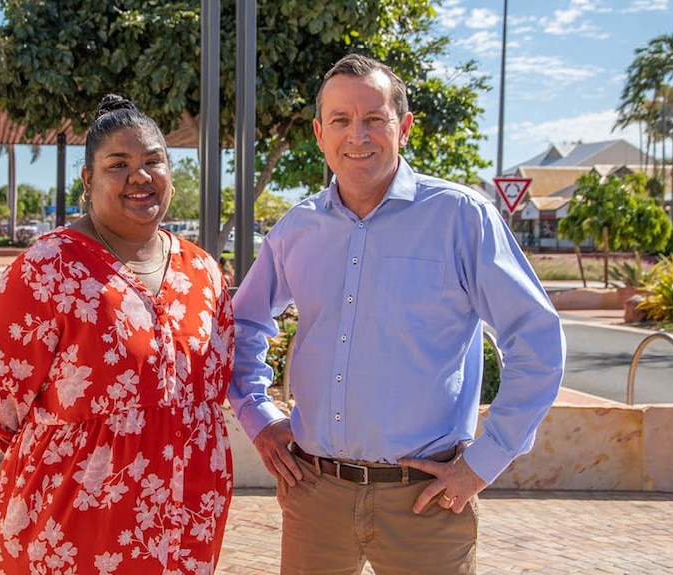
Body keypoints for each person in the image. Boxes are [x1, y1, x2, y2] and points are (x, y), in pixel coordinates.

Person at [228, 53, 566, 574]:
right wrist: (257, 415)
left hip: (427, 503)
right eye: (340, 120)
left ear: (403, 127)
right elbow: (243, 325)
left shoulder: (461, 217)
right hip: (315, 496)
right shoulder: (296, 230)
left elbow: (536, 340)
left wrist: (483, 464)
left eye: (374, 119)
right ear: (320, 133)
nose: (356, 135)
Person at [0, 94, 235, 574]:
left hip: (187, 524)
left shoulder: (203, 270)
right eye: (118, 164)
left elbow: (212, 385)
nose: (140, 176)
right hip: (72, 527)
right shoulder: (49, 268)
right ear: (88, 179)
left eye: (153, 161)